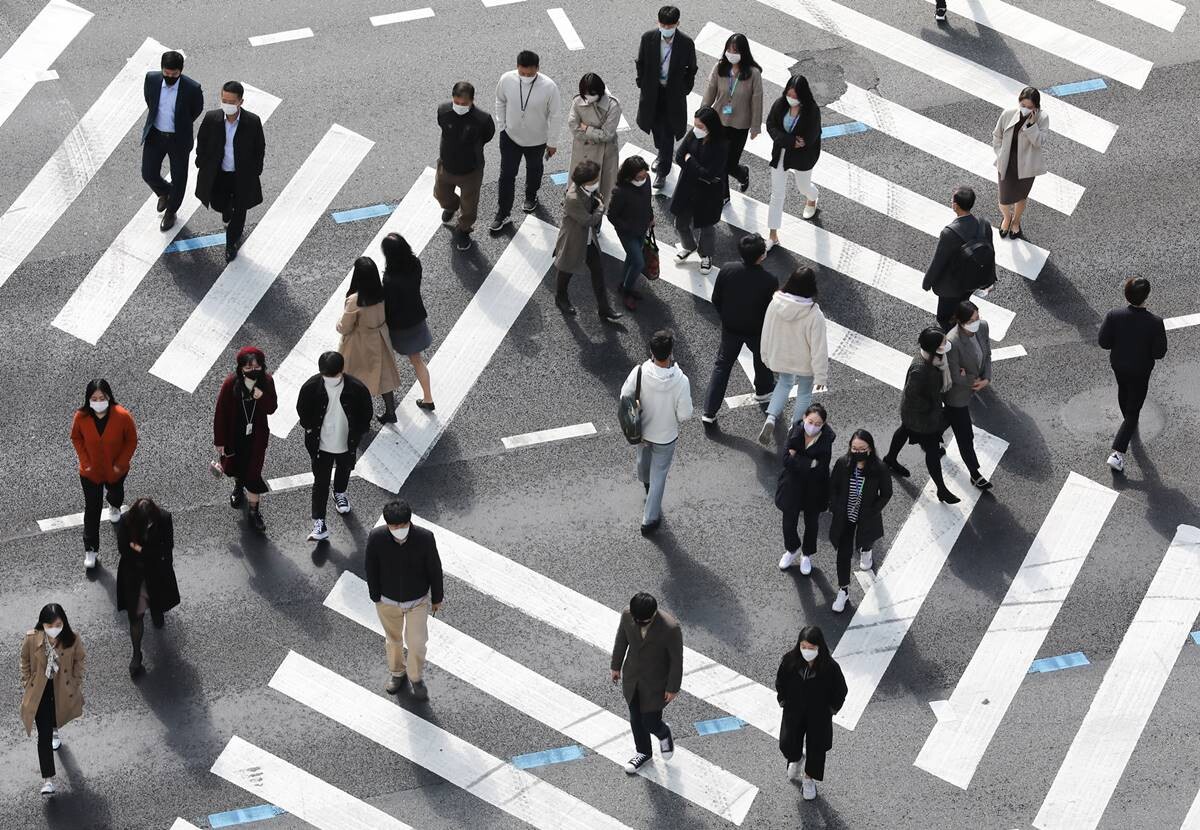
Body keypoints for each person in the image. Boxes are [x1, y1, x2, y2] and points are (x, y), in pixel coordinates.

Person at [365, 500, 444, 702]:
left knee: (417, 643)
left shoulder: (425, 538)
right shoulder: (377, 538)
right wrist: (376, 596)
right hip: (387, 601)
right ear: (387, 525)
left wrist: (437, 597)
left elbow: (434, 568)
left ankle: (415, 677)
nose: (398, 530)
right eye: (394, 526)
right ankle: (397, 673)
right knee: (393, 640)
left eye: (402, 525)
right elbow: (370, 567)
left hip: (417, 601)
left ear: (409, 522)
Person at [620, 329, 693, 534]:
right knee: (659, 474)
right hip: (666, 437)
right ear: (671, 353)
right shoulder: (681, 380)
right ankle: (649, 519)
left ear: (651, 351)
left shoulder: (639, 372)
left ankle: (645, 483)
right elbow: (685, 414)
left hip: (642, 431)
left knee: (643, 460)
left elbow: (624, 396)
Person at [701, 233, 778, 424]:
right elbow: (770, 310)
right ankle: (764, 390)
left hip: (730, 328)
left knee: (722, 366)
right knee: (762, 359)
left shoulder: (727, 269)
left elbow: (716, 299)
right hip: (756, 330)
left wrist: (726, 318)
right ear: (762, 256)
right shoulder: (769, 280)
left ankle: (709, 411)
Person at [296, 351, 373, 541]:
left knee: (344, 469)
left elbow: (366, 414)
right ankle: (319, 523)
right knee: (320, 483)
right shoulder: (311, 387)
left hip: (347, 441)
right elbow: (302, 411)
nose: (330, 380)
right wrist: (311, 428)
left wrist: (358, 432)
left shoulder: (356, 388)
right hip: (320, 445)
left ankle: (339, 492)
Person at [1098, 276, 1168, 473]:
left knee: (1124, 390)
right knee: (1133, 410)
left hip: (1119, 366)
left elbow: (1104, 342)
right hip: (1140, 370)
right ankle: (1117, 453)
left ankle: (1128, 422)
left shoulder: (1114, 315)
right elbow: (1159, 353)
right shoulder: (1155, 322)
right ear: (1146, 296)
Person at [883, 328, 959, 504]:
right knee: (931, 450)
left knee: (904, 431)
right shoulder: (920, 370)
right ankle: (941, 490)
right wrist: (932, 405)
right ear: (933, 348)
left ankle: (890, 459)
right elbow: (913, 397)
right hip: (921, 418)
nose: (946, 345)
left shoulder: (933, 359)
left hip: (915, 415)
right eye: (942, 343)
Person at [610, 592, 683, 775]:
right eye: (637, 620)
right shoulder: (627, 615)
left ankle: (663, 733)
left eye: (645, 621)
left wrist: (673, 687)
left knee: (650, 721)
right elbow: (621, 639)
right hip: (632, 678)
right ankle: (643, 752)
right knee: (636, 719)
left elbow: (676, 660)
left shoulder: (670, 628)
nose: (640, 624)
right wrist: (616, 666)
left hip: (656, 683)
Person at [195, 81, 266, 262]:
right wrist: (201, 160)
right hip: (219, 174)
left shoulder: (252, 122)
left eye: (231, 101)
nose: (226, 104)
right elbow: (202, 140)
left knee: (240, 210)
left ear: (240, 102)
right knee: (218, 203)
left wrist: (256, 170)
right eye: (223, 99)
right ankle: (227, 210)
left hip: (242, 175)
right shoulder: (212, 118)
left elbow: (259, 147)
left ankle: (231, 243)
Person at [758, 267, 830, 446]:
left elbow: (766, 331)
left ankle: (771, 418)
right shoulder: (814, 314)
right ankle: (795, 427)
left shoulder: (776, 303)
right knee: (804, 393)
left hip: (782, 357)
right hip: (805, 362)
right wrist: (821, 374)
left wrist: (765, 355)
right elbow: (819, 347)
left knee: (784, 384)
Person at [71, 379, 137, 570]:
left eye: (102, 398)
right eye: (94, 398)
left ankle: (114, 505)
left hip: (115, 469)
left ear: (109, 397)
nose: (98, 401)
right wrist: (86, 462)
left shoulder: (122, 416)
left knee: (116, 493)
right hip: (90, 473)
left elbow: (131, 440)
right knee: (92, 510)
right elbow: (76, 437)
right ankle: (90, 549)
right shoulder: (81, 417)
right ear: (88, 399)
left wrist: (121, 463)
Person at [490, 51, 560, 231]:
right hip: (510, 137)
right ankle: (503, 212)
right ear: (517, 67)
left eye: (530, 74)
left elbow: (556, 116)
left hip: (537, 140)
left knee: (534, 169)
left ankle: (531, 196)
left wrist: (552, 142)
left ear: (538, 68)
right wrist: (502, 124)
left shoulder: (549, 87)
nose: (526, 77)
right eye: (522, 73)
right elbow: (500, 100)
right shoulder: (507, 79)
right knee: (506, 175)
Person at [775, 625, 847, 801]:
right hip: (794, 711)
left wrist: (831, 709)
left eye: (811, 648)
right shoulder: (790, 661)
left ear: (819, 647)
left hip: (819, 715)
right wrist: (782, 699)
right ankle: (797, 758)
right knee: (788, 743)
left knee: (816, 748)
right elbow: (780, 681)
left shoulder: (830, 668)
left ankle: (809, 779)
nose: (807, 651)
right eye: (804, 647)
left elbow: (841, 690)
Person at [20, 604, 85, 796]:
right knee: (43, 736)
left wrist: (75, 681)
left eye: (58, 624)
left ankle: (56, 730)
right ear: (43, 625)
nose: (54, 629)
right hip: (39, 692)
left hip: (60, 690)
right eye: (50, 625)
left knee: (56, 718)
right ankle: (48, 780)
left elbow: (80, 660)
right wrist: (26, 681)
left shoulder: (72, 639)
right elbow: (24, 660)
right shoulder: (32, 639)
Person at [827, 430, 893, 612]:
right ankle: (843, 589)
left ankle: (866, 550)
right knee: (843, 553)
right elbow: (833, 487)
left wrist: (872, 511)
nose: (857, 452)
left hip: (866, 517)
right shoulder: (843, 463)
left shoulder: (879, 469)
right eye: (854, 448)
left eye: (861, 449)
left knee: (866, 539)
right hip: (845, 516)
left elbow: (886, 494)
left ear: (870, 449)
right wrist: (834, 506)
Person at [214, 346, 277, 531]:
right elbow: (221, 412)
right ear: (240, 368)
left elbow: (272, 408)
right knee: (236, 466)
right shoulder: (230, 383)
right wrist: (220, 440)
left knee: (254, 473)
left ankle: (253, 512)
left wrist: (261, 396)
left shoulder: (266, 381)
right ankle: (238, 486)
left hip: (256, 436)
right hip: (235, 435)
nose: (253, 371)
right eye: (248, 368)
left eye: (257, 367)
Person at [635, 5, 698, 189]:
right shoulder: (649, 38)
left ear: (677, 23)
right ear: (658, 22)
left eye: (670, 25)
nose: (666, 28)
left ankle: (663, 172)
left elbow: (691, 69)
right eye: (663, 24)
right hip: (653, 93)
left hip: (673, 96)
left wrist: (684, 89)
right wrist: (642, 82)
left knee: (668, 133)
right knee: (656, 128)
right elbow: (641, 62)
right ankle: (663, 154)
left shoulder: (686, 43)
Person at [140, 50, 203, 232]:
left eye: (174, 75)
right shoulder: (151, 79)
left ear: (180, 71)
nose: (169, 77)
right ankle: (165, 192)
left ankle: (171, 212)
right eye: (166, 74)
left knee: (179, 177)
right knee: (148, 173)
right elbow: (149, 101)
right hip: (156, 135)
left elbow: (195, 110)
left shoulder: (192, 88)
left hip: (178, 139)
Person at [116, 498, 180, 676]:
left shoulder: (164, 518)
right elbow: (123, 548)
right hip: (135, 577)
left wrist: (140, 550)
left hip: (156, 574)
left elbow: (167, 548)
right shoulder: (126, 520)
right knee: (136, 618)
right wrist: (148, 553)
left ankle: (156, 611)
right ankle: (136, 654)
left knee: (156, 601)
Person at [553, 160, 622, 322]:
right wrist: (600, 207)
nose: (596, 183)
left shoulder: (588, 189)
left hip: (589, 239)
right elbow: (588, 220)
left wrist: (597, 201)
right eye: (594, 181)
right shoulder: (573, 198)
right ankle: (560, 297)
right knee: (566, 270)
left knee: (598, 272)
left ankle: (604, 308)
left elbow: (595, 201)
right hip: (574, 239)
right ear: (584, 181)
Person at [338, 257, 404, 423]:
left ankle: (358, 415)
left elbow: (345, 327)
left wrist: (338, 326)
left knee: (353, 378)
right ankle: (390, 411)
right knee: (383, 376)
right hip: (380, 338)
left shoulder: (355, 300)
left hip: (359, 343)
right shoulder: (382, 292)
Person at [922, 186, 995, 331]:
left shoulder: (949, 233)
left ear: (955, 205)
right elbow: (990, 252)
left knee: (944, 317)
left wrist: (927, 283)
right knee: (962, 305)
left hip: (952, 286)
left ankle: (957, 337)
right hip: (974, 279)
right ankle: (963, 323)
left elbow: (939, 262)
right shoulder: (983, 224)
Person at [700, 32, 763, 194]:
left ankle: (742, 174)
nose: (731, 54)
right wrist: (702, 115)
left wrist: (755, 127)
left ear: (743, 52)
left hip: (740, 125)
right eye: (729, 50)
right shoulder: (719, 67)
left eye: (735, 51)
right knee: (717, 160)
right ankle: (723, 195)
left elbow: (757, 101)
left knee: (730, 164)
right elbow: (710, 91)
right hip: (718, 121)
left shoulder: (753, 74)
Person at [435, 81, 495, 251]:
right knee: (441, 194)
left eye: (464, 103)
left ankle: (463, 229)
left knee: (469, 206)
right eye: (457, 102)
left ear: (472, 101)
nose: (460, 106)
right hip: (446, 165)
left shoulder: (482, 119)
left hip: (471, 170)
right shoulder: (443, 111)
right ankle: (451, 206)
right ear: (452, 98)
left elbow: (488, 135)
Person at [776, 404, 835, 576]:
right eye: (811, 422)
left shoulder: (826, 439)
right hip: (792, 486)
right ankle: (792, 548)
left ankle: (806, 554)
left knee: (812, 523)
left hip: (814, 489)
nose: (813, 426)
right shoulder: (795, 431)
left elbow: (821, 468)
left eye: (818, 424)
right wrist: (809, 463)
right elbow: (786, 460)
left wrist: (799, 459)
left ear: (823, 424)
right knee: (788, 521)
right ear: (804, 418)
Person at [765, 75, 821, 249]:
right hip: (781, 154)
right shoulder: (780, 104)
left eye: (796, 97)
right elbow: (770, 125)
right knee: (777, 195)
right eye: (789, 94)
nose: (791, 99)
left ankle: (812, 197)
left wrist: (790, 141)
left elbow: (810, 137)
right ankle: (772, 235)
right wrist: (789, 141)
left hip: (802, 157)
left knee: (803, 187)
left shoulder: (812, 111)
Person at [670, 107, 728, 275]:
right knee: (680, 222)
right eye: (695, 124)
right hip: (688, 188)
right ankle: (689, 247)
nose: (696, 129)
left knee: (706, 226)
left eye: (700, 126)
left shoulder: (721, 145)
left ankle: (706, 255)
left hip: (708, 193)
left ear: (711, 126)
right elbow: (680, 156)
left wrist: (691, 162)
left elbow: (709, 174)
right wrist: (696, 168)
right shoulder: (693, 134)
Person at [381, 233, 435, 410]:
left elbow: (389, 305)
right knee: (417, 361)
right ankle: (428, 398)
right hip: (416, 318)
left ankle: (389, 398)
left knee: (386, 359)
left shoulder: (390, 279)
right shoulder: (415, 264)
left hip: (398, 326)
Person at [944, 301, 994, 490]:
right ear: (961, 321)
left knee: (947, 421)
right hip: (957, 395)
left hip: (973, 384)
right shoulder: (952, 342)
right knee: (965, 435)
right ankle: (974, 474)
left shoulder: (982, 327)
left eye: (977, 316)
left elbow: (987, 354)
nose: (977, 321)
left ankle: (931, 438)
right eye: (972, 320)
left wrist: (987, 378)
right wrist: (973, 381)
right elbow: (956, 375)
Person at [993, 86, 1049, 241]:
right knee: (1003, 199)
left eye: (1029, 107)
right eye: (1023, 105)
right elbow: (997, 136)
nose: (1025, 109)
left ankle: (1016, 221)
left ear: (1036, 107)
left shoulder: (1042, 118)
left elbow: (1039, 142)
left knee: (1021, 197)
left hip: (1026, 166)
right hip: (1007, 162)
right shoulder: (1008, 114)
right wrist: (1000, 154)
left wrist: (1031, 125)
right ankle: (1007, 217)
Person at [606, 155, 654, 311]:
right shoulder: (620, 191)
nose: (644, 175)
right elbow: (612, 215)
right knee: (639, 262)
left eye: (644, 171)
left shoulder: (647, 181)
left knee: (632, 258)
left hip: (642, 228)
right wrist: (627, 228)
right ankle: (627, 291)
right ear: (630, 174)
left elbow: (648, 201)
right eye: (640, 173)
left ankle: (624, 284)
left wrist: (651, 217)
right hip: (628, 233)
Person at [567, 73, 622, 205]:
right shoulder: (577, 102)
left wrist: (586, 129)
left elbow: (607, 134)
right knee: (579, 188)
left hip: (605, 153)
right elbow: (574, 127)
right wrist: (595, 134)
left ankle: (598, 216)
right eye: (585, 94)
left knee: (603, 191)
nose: (588, 97)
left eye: (592, 93)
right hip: (583, 151)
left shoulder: (613, 106)